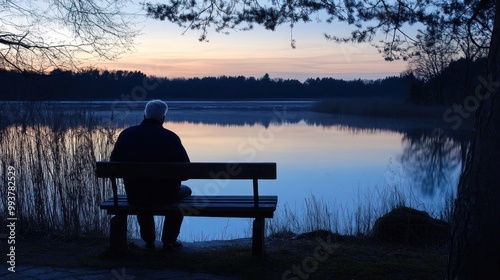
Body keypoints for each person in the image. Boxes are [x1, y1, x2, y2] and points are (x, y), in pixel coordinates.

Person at [110, 99, 191, 251]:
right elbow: (186, 172)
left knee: (141, 189)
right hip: (167, 196)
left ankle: (149, 240)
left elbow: (114, 164)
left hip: (135, 195)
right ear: (163, 118)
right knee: (186, 191)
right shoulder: (171, 138)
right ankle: (169, 240)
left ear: (144, 115)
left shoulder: (127, 134)